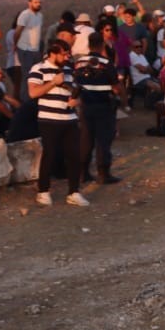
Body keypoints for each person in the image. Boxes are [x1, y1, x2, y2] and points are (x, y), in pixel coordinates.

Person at [28, 39, 87, 207]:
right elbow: (33, 93)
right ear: (53, 53)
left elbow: (75, 91)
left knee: (75, 155)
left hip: (69, 118)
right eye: (64, 53)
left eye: (68, 53)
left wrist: (77, 101)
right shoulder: (38, 68)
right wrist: (53, 82)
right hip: (49, 119)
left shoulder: (68, 69)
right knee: (50, 155)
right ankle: (43, 191)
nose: (67, 56)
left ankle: (74, 192)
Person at [73, 36, 122, 185]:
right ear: (101, 45)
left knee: (86, 140)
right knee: (103, 140)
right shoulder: (106, 63)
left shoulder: (79, 63)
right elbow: (116, 87)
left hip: (85, 106)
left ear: (88, 45)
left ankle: (83, 173)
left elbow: (75, 83)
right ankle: (103, 173)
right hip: (103, 105)